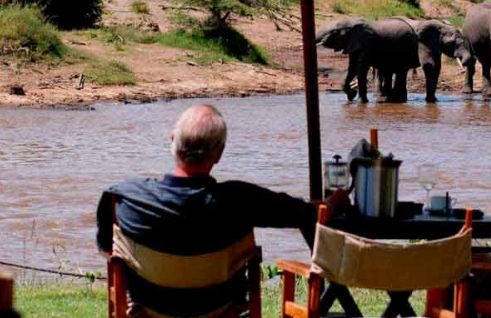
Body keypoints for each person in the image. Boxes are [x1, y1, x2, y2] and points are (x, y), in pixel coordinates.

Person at [96, 104, 349, 317]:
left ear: (173, 142)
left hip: (149, 311)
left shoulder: (122, 197)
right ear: (219, 154)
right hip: (220, 311)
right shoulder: (241, 200)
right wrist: (335, 201)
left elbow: (110, 249)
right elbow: (306, 214)